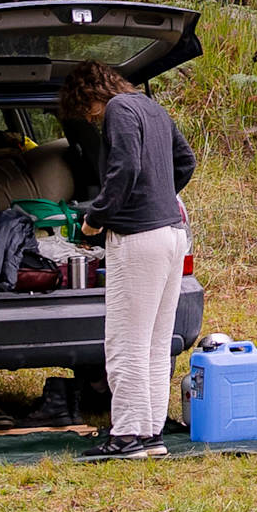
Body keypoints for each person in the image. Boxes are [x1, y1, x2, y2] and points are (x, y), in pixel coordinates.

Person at [59, 60, 197, 458]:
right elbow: (185, 161)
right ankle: (150, 434)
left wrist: (95, 219)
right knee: (155, 341)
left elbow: (124, 169)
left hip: (137, 238)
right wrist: (160, 194)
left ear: (90, 94)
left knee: (125, 343)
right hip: (172, 234)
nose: (91, 118)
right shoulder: (151, 107)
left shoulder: (119, 109)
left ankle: (126, 437)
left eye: (87, 111)